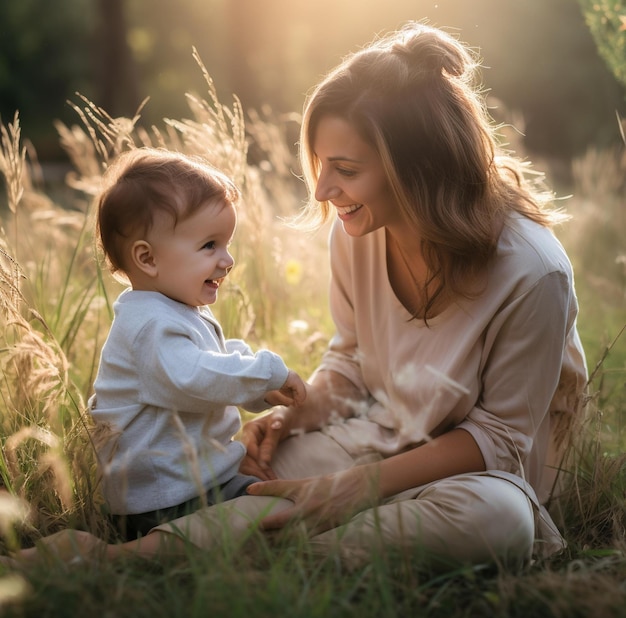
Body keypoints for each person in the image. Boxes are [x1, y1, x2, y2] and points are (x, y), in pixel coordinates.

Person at [4, 22, 586, 569]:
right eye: (320, 164)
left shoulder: (533, 273)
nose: (324, 189)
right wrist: (296, 415)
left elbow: (501, 439)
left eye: (346, 169)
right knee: (249, 469)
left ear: (419, 167)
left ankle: (235, 557)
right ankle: (147, 558)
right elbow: (353, 363)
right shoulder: (358, 230)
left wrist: (354, 487)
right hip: (379, 439)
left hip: (473, 477)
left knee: (500, 521)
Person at [86, 147, 307, 539]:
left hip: (191, 483)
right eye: (210, 246)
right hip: (162, 499)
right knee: (283, 512)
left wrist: (261, 392)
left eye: (226, 244)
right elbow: (197, 377)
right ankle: (154, 547)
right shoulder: (150, 326)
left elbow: (213, 363)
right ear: (147, 258)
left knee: (286, 500)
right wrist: (266, 373)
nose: (228, 260)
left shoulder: (171, 307)